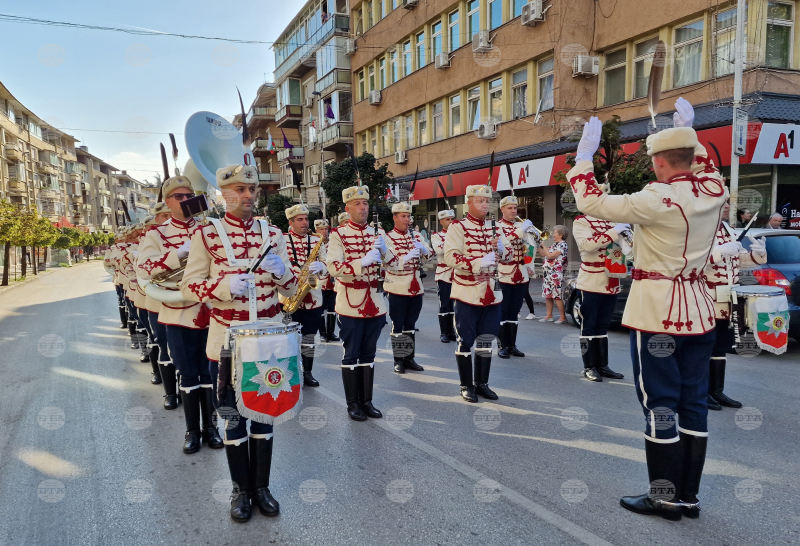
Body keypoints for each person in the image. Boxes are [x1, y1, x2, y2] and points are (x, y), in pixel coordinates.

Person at [569, 97, 727, 520]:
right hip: (699, 309)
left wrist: (584, 158)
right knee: (693, 402)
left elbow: (591, 204)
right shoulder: (715, 190)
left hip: (658, 312)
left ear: (658, 163)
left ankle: (664, 497)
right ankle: (688, 497)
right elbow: (707, 167)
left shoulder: (656, 197)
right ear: (691, 157)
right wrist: (691, 133)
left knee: (660, 402)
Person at [181, 164, 296, 522]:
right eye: (239, 189)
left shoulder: (273, 233)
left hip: (268, 342)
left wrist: (282, 272)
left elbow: (292, 289)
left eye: (252, 189)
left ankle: (261, 487)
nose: (248, 195)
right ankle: (240, 490)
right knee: (232, 419)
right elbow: (188, 286)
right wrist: (222, 287)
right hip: (226, 343)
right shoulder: (206, 234)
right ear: (223, 194)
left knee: (265, 415)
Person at [138, 183, 215, 428]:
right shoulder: (156, 234)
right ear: (167, 202)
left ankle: (211, 428)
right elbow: (144, 268)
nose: (186, 200)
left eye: (190, 195)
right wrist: (178, 254)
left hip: (210, 309)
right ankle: (192, 431)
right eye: (179, 196)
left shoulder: (210, 229)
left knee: (210, 372)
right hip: (178, 312)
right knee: (188, 372)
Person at [326, 186, 393, 421]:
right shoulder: (338, 234)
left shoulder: (378, 232)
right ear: (347, 208)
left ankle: (367, 401)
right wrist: (361, 262)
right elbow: (333, 267)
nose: (363, 208)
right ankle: (352, 403)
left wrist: (385, 251)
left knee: (369, 353)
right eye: (357, 204)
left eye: (365, 203)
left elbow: (395, 264)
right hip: (350, 303)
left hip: (375, 301)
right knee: (351, 354)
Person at [444, 185, 511, 402]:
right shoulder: (458, 226)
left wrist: (501, 248)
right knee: (465, 340)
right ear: (469, 202)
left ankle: (482, 384)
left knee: (486, 339)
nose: (484, 204)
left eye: (487, 201)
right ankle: (466, 385)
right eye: (480, 200)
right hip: (467, 291)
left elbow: (509, 255)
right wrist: (479, 261)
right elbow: (450, 257)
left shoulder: (495, 226)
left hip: (492, 291)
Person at [703, 200, 767, 410]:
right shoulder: (699, 228)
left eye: (728, 203)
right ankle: (701, 392)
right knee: (704, 345)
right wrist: (720, 251)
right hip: (706, 297)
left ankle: (716, 391)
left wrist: (757, 254)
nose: (727, 206)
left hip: (727, 296)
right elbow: (692, 260)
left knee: (720, 345)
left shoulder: (727, 228)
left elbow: (737, 261)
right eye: (722, 202)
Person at [571, 214, 627, 381]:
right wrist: (614, 231)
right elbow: (587, 245)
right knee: (588, 325)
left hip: (612, 278)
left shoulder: (613, 221)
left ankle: (602, 365)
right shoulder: (581, 221)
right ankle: (589, 366)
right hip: (591, 280)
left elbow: (627, 250)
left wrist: (627, 236)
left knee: (603, 325)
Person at [384, 202, 431, 374]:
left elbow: (430, 255)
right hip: (397, 287)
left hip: (415, 286)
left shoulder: (416, 235)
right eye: (403, 216)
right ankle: (398, 360)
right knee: (398, 324)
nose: (407, 219)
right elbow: (387, 262)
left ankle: (409, 358)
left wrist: (423, 250)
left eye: (408, 216)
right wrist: (407, 257)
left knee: (410, 324)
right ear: (395, 217)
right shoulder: (388, 237)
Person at [283, 204, 327, 387]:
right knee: (288, 338)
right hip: (288, 297)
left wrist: (322, 267)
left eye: (306, 219)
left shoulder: (317, 240)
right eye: (300, 220)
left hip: (312, 297)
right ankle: (289, 372)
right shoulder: (282, 239)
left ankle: (307, 372)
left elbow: (327, 264)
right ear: (291, 222)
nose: (304, 223)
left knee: (309, 337)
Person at [496, 197, 535, 358]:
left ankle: (512, 345)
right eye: (510, 208)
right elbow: (506, 241)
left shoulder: (520, 225)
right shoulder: (497, 226)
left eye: (515, 208)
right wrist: (521, 230)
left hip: (521, 272)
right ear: (502, 209)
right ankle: (502, 345)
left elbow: (530, 246)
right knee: (503, 310)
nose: (513, 211)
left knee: (515, 309)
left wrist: (533, 234)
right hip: (505, 273)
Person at [431, 209, 457, 342]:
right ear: (441, 222)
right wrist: (452, 239)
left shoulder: (458, 235)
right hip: (444, 274)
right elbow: (439, 250)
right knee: (445, 304)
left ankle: (452, 331)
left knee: (454, 305)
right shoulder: (436, 236)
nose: (451, 222)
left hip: (457, 273)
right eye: (447, 219)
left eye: (452, 219)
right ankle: (444, 332)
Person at [314, 219, 340, 343]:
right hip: (320, 281)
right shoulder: (314, 242)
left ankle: (331, 332)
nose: (324, 231)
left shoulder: (332, 243)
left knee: (332, 308)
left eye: (326, 229)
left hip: (332, 281)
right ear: (316, 230)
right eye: (321, 229)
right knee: (320, 308)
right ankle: (322, 333)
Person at [537, 226, 569, 324]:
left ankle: (563, 317)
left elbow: (550, 256)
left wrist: (543, 245)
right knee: (548, 295)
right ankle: (549, 315)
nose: (553, 235)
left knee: (556, 296)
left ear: (561, 235)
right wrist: (537, 244)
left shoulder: (562, 245)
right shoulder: (555, 244)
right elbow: (543, 254)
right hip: (548, 273)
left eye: (555, 233)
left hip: (555, 274)